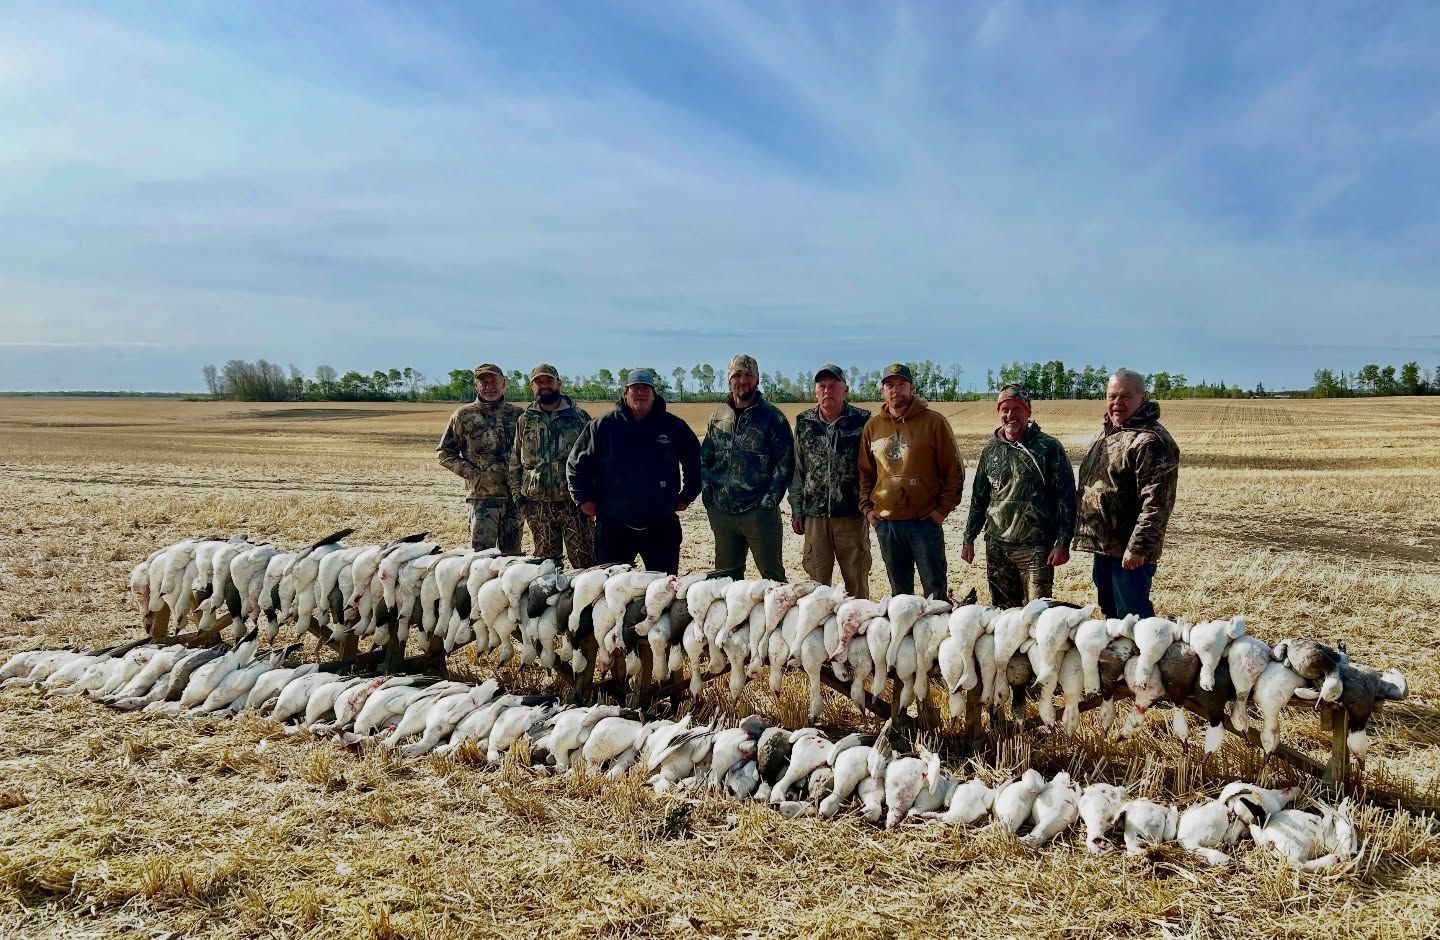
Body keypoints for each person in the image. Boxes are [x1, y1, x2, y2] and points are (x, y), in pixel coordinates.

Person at [566, 369, 701, 574]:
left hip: (661, 525)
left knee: (663, 589)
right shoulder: (603, 426)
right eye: (635, 388)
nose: (641, 392)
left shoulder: (672, 426)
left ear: (654, 394)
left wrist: (688, 495)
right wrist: (583, 500)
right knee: (611, 591)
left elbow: (696, 461)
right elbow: (576, 465)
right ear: (625, 393)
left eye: (646, 388)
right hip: (614, 525)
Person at [1073, 368, 1181, 618]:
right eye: (1112, 396)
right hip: (1105, 547)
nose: (1117, 403)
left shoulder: (1150, 441)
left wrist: (1138, 548)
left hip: (1128, 552)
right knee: (1111, 616)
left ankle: (1146, 656)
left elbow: (1157, 504)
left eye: (1125, 397)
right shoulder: (1111, 432)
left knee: (1134, 621)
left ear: (1142, 398)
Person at [961, 384, 1076, 607]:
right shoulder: (990, 450)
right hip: (996, 546)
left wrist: (1062, 542)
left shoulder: (1048, 448)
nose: (1010, 415)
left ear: (1028, 411)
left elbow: (1067, 498)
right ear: (998, 412)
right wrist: (969, 537)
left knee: (1037, 614)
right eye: (1005, 409)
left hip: (1035, 547)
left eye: (1017, 409)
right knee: (1003, 617)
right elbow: (979, 498)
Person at [858, 363, 964, 599]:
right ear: (882, 391)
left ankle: (937, 634)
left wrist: (941, 511)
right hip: (888, 525)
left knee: (935, 594)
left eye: (901, 384)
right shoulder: (873, 427)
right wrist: (868, 510)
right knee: (900, 597)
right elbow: (865, 473)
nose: (896, 390)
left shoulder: (933, 422)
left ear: (912, 388)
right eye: (890, 385)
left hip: (924, 523)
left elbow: (954, 471)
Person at [699, 354, 795, 581]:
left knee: (772, 578)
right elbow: (705, 458)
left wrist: (768, 502)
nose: (743, 381)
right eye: (737, 375)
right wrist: (708, 496)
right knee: (725, 578)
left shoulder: (772, 417)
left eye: (749, 375)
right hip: (722, 512)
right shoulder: (718, 416)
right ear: (729, 380)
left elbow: (785, 463)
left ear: (757, 379)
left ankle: (776, 617)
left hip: (759, 513)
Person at [789, 364, 872, 597]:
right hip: (815, 517)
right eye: (822, 386)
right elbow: (797, 470)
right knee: (817, 586)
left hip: (851, 516)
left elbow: (872, 469)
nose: (828, 391)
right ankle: (820, 630)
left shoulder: (862, 420)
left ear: (845, 390)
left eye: (833, 386)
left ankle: (857, 629)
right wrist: (797, 509)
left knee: (856, 582)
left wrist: (869, 507)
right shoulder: (804, 422)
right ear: (815, 392)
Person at [508, 363, 594, 568]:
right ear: (532, 387)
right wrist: (519, 500)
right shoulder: (525, 420)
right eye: (538, 382)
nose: (544, 385)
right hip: (537, 507)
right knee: (546, 569)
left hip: (575, 506)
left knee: (585, 566)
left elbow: (595, 460)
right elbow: (515, 462)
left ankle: (583, 601)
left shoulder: (580, 418)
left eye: (549, 380)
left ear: (559, 383)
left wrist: (591, 498)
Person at [437, 362, 522, 553]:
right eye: (483, 382)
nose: (489, 386)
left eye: (494, 381)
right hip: (483, 499)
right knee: (482, 557)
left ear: (504, 383)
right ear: (476, 386)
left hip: (514, 499)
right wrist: (474, 474)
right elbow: (445, 453)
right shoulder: (463, 415)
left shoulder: (518, 415)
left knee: (513, 557)